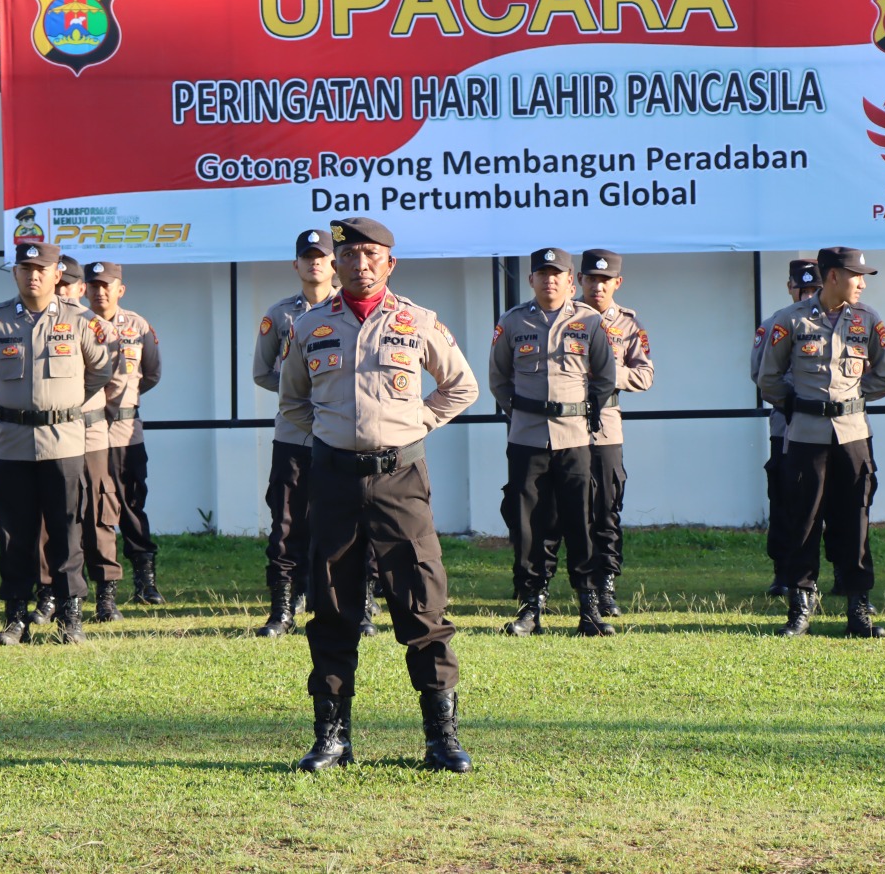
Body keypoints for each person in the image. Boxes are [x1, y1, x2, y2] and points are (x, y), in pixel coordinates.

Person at [278, 216, 477, 773]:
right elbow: (293, 402)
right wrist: (326, 439)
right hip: (334, 481)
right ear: (335, 263)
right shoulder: (310, 325)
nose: (359, 265)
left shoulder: (418, 321)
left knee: (423, 604)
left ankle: (441, 738)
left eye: (371, 255)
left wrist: (418, 422)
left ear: (390, 263)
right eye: (349, 255)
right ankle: (332, 739)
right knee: (331, 607)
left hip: (400, 480)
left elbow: (461, 385)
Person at [0, 242, 114, 644]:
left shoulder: (81, 320)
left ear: (57, 274)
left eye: (41, 269)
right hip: (12, 443)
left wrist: (62, 404)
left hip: (63, 442)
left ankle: (70, 616)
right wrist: (18, 406)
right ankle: (16, 616)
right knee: (14, 533)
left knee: (67, 530)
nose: (33, 275)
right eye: (25, 268)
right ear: (15, 273)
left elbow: (101, 370)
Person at [758, 246, 885, 639]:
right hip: (806, 436)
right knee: (802, 521)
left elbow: (884, 377)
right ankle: (800, 607)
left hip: (853, 436)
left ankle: (858, 608)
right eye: (856, 276)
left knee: (855, 521)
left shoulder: (868, 319)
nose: (862, 283)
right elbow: (768, 378)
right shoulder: (790, 320)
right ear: (833, 275)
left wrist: (849, 399)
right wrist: (799, 406)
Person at [489, 247, 617, 638]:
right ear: (531, 280)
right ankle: (531, 606)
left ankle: (589, 608)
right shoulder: (513, 321)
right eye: (542, 273)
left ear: (570, 279)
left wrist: (582, 414)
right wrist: (523, 415)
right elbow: (499, 379)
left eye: (556, 273)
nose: (549, 280)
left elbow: (605, 378)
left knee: (581, 520)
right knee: (528, 523)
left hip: (574, 437)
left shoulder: (589, 321)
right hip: (527, 438)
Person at [252, 229, 336, 637]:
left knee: (344, 520)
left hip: (340, 434)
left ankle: (351, 603)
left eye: (321, 256)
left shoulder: (350, 310)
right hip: (293, 434)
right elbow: (262, 372)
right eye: (307, 256)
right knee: (286, 522)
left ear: (334, 263)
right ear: (296, 264)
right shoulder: (280, 314)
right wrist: (297, 393)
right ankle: (282, 609)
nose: (314, 262)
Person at [565, 248, 653, 617]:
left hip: (605, 426)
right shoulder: (563, 318)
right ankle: (560, 588)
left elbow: (645, 375)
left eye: (605, 280)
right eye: (591, 279)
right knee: (565, 510)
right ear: (579, 280)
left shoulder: (629, 325)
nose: (597, 287)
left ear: (617, 283)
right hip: (564, 426)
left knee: (606, 509)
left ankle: (606, 587)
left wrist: (605, 371)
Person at [87, 260, 163, 617]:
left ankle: (145, 582)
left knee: (132, 506)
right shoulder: (77, 324)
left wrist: (124, 402)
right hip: (88, 434)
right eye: (94, 285)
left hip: (126, 433)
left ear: (120, 289)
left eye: (106, 285)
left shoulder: (138, 326)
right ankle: (104, 590)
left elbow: (152, 374)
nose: (100, 292)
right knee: (94, 510)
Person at [751, 258, 819, 597]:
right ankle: (783, 572)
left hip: (831, 429)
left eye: (813, 288)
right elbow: (760, 374)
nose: (806, 295)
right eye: (800, 288)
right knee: (783, 499)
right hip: (786, 427)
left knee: (836, 504)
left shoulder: (842, 324)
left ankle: (840, 573)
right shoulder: (774, 325)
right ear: (790, 288)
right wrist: (794, 403)